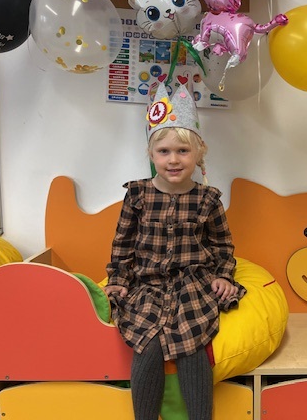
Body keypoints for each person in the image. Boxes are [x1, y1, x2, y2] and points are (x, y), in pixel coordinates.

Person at [104, 83, 245, 420]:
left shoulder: (207, 199)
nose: (173, 160)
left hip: (192, 283)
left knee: (191, 339)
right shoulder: (137, 195)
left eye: (183, 151)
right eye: (164, 151)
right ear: (151, 154)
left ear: (199, 153)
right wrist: (118, 280)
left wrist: (223, 275)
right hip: (147, 284)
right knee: (147, 341)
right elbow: (123, 245)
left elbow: (222, 244)